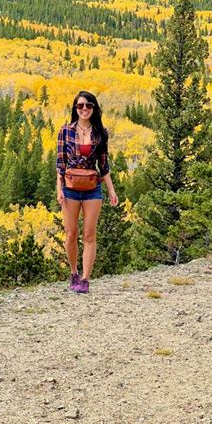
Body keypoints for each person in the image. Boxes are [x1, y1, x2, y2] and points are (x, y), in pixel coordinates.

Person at [56, 91, 119, 294]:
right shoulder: (65, 131)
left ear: (94, 108)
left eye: (88, 105)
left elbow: (104, 165)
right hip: (70, 188)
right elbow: (60, 164)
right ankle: (73, 272)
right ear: (75, 108)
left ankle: (85, 279)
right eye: (80, 105)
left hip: (93, 189)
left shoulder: (101, 133)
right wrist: (59, 189)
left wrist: (111, 190)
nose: (84, 109)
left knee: (89, 234)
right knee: (70, 233)